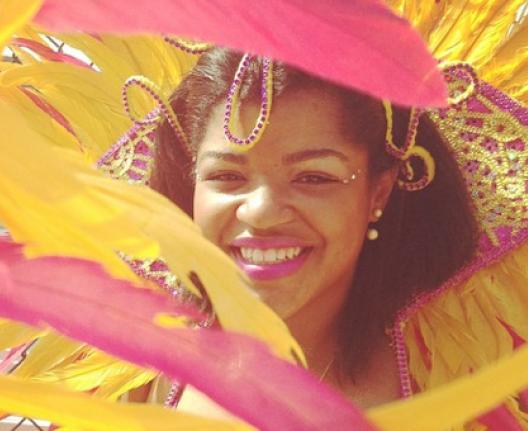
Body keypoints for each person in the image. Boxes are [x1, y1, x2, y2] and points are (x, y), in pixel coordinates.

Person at [124, 46, 523, 421]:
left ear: (377, 192)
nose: (261, 213)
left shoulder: (479, 390)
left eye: (314, 177)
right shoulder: (123, 379)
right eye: (227, 176)